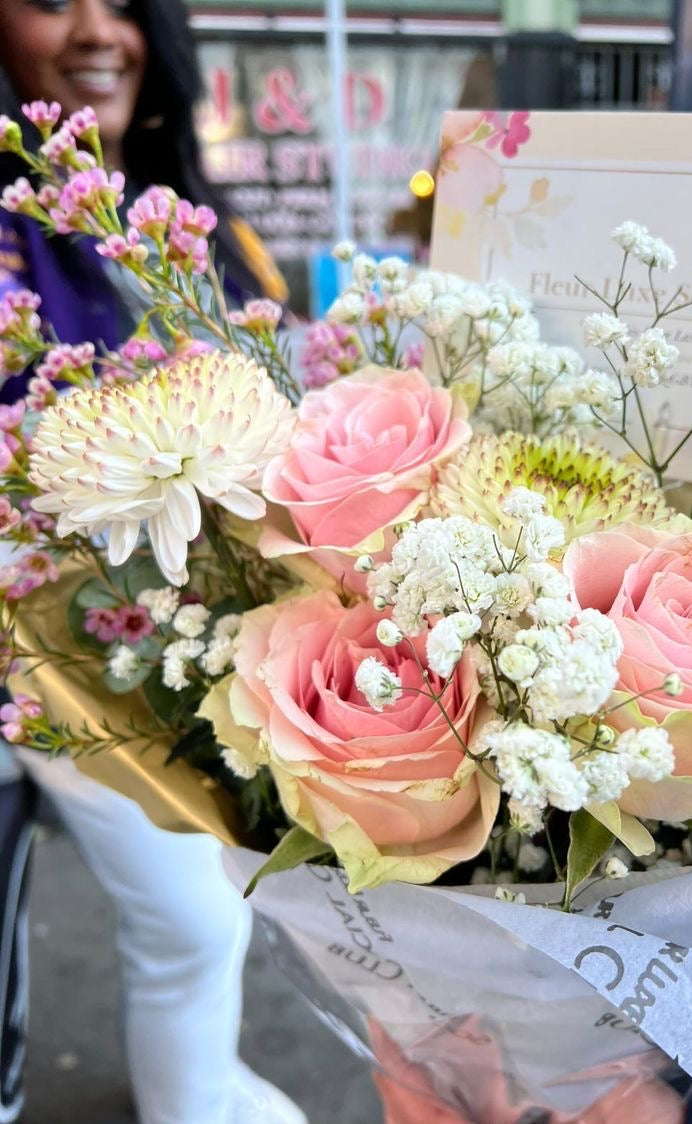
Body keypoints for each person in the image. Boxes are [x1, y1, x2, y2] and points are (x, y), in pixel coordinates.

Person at [0, 2, 304, 1123]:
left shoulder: (198, 226)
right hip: (41, 646)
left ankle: (195, 1093)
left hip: (167, 646)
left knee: (203, 912)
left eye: (123, 6)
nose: (96, 31)